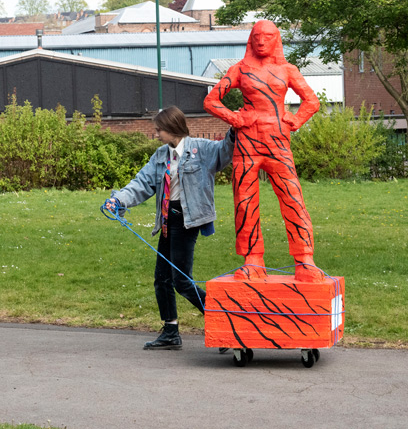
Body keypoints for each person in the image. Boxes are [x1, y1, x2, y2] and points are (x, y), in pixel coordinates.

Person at [203, 19, 324, 283]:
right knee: (244, 201)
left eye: (267, 36)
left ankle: (304, 260)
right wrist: (235, 119)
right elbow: (211, 100)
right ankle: (252, 259)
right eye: (256, 35)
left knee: (293, 198)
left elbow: (312, 101)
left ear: (276, 39)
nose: (261, 40)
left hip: (279, 143)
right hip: (246, 144)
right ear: (251, 39)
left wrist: (297, 119)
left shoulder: (287, 70)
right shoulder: (240, 70)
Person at [105, 106, 234, 350]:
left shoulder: (201, 149)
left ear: (172, 128)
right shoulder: (160, 155)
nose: (156, 134)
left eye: (159, 130)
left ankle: (224, 323)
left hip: (187, 221)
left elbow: (225, 151)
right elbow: (141, 183)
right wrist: (119, 200)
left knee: (181, 281)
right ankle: (171, 332)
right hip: (168, 220)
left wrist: (234, 130)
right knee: (162, 279)